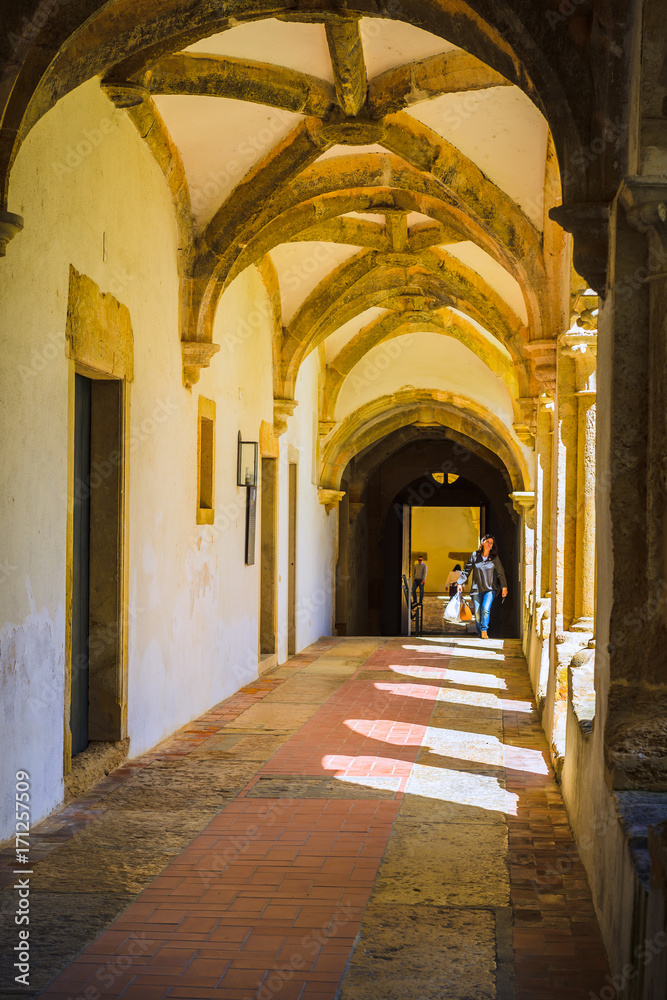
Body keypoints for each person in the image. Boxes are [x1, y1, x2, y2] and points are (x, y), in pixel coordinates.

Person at [457, 535, 508, 638]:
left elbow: (500, 573)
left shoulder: (494, 558)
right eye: (487, 542)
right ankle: (480, 632)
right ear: (483, 542)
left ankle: (484, 631)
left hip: (490, 589)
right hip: (476, 589)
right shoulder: (475, 556)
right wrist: (459, 582)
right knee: (477, 613)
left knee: (485, 609)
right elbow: (467, 570)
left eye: (491, 543)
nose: (489, 544)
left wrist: (504, 587)